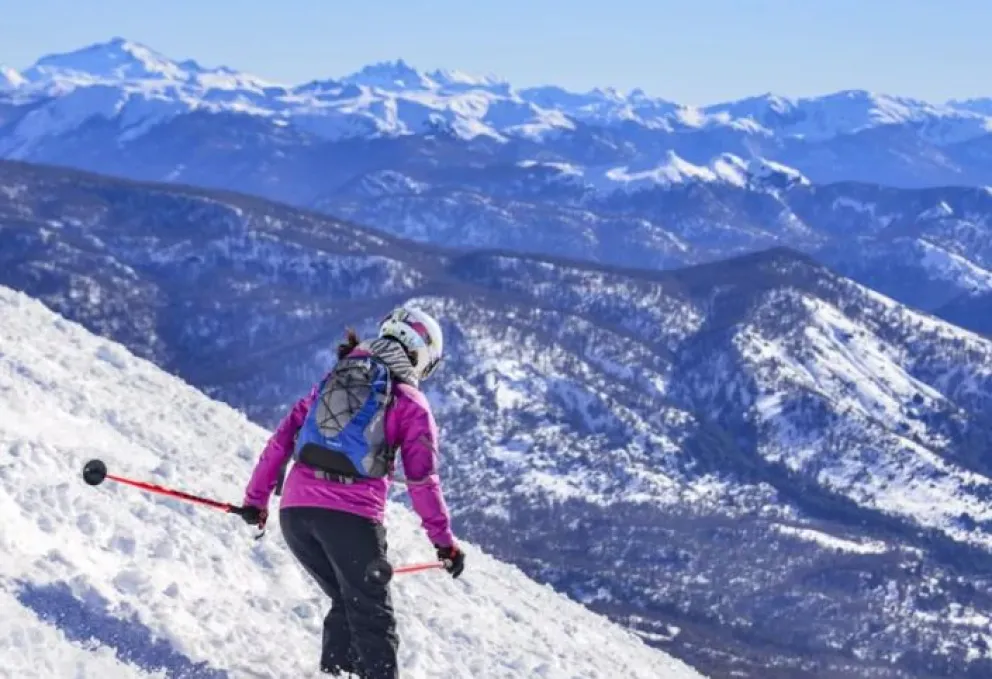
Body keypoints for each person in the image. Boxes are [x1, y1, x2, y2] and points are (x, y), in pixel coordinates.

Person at [239, 306, 465, 679]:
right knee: (374, 620)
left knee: (348, 602)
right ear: (422, 356)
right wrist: (444, 544)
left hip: (296, 516)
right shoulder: (410, 402)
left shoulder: (333, 381)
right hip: (352, 521)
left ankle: (336, 674)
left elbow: (281, 441)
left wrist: (255, 502)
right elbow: (423, 480)